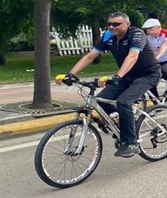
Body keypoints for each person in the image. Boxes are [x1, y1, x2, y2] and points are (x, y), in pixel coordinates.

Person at [58, 12, 161, 158]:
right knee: (101, 101)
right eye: (109, 24)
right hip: (127, 75)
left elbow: (132, 56)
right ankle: (124, 123)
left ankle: (131, 143)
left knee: (124, 102)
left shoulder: (136, 34)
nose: (112, 27)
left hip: (147, 74)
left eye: (116, 24)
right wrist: (70, 74)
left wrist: (117, 76)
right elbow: (90, 56)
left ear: (127, 24)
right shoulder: (108, 36)